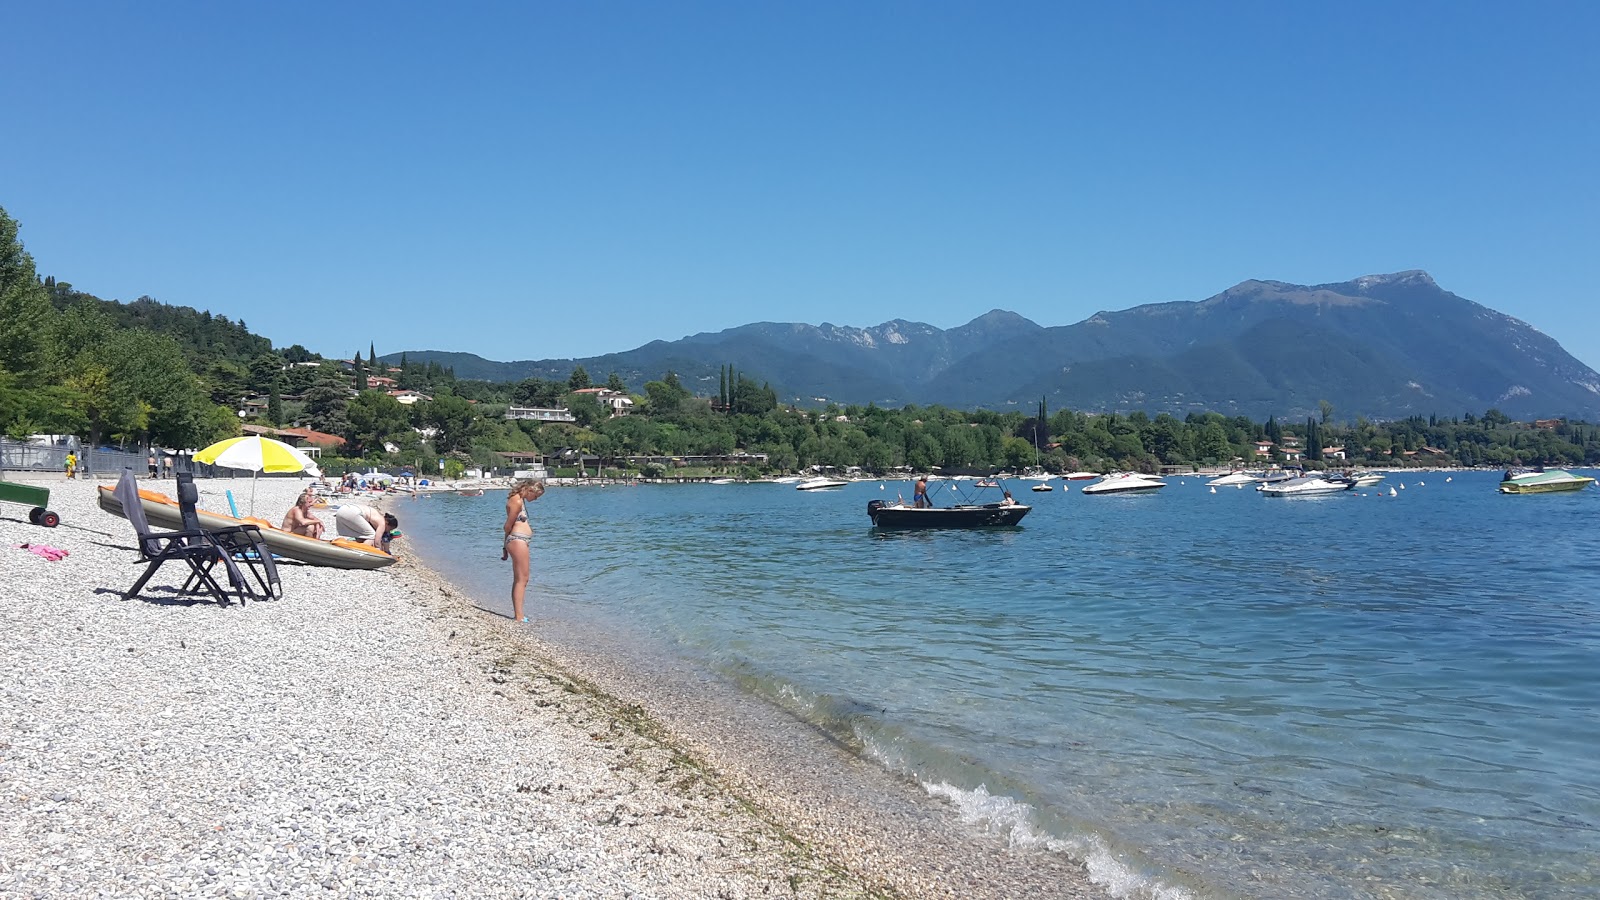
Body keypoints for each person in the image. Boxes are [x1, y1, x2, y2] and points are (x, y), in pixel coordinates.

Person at [500, 478, 545, 623]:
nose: (536, 499)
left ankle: (519, 614)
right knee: (522, 579)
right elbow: (508, 526)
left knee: (522, 578)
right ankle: (519, 616)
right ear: (530, 490)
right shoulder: (517, 501)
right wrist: (505, 545)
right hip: (517, 540)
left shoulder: (519, 499)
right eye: (536, 496)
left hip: (519, 540)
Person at [334, 502, 399, 552]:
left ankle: (356, 547)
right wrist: (378, 550)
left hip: (342, 510)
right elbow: (377, 541)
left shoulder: (377, 516)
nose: (388, 531)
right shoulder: (382, 523)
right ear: (387, 523)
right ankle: (362, 551)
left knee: (364, 534)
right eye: (390, 529)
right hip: (353, 512)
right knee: (372, 535)